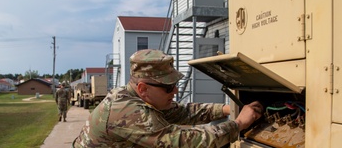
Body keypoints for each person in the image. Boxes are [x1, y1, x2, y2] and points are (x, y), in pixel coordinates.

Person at [72, 49, 263, 147]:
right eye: (168, 87)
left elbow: (183, 112)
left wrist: (228, 109)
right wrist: (238, 124)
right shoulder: (126, 111)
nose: (175, 91)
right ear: (143, 88)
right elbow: (183, 142)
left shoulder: (140, 98)